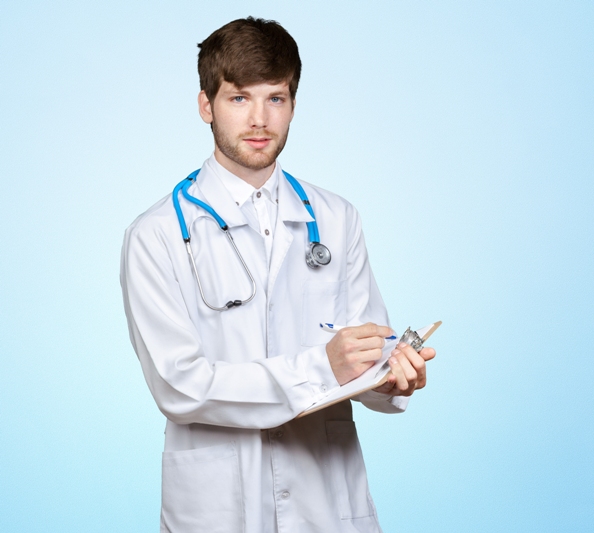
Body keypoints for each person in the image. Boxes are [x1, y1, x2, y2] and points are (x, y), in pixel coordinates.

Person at [120, 17, 436, 533]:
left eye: (276, 98)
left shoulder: (336, 218)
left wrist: (391, 378)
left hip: (325, 500)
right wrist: (320, 368)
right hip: (220, 506)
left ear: (293, 104)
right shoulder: (156, 234)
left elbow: (363, 358)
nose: (259, 119)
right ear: (206, 106)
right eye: (238, 98)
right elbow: (179, 386)